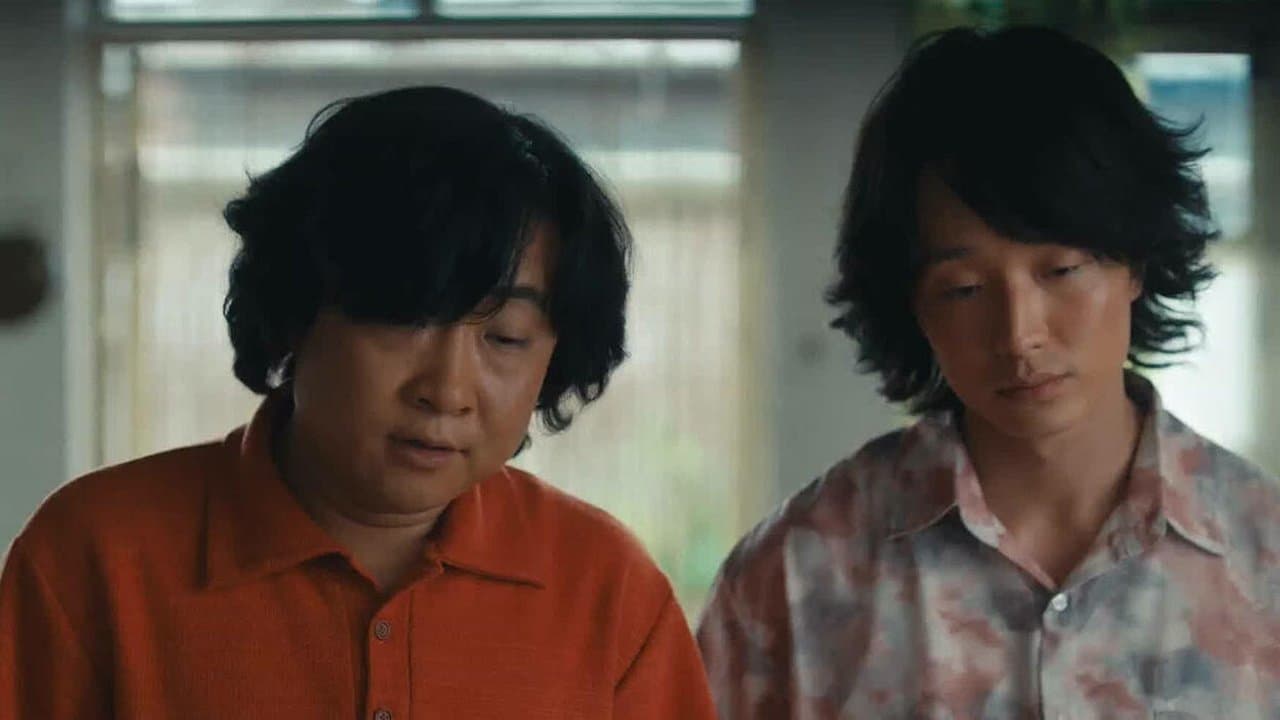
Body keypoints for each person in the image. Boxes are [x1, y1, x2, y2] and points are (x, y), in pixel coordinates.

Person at [0, 86, 716, 719]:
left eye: (505, 336)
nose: (447, 391)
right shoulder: (95, 558)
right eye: (405, 320)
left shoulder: (608, 590)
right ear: (295, 311)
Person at [698, 26, 1280, 718]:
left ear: (1136, 263)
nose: (1018, 334)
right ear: (911, 305)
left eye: (1061, 270)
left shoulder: (1263, 557)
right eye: (965, 289)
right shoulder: (796, 576)